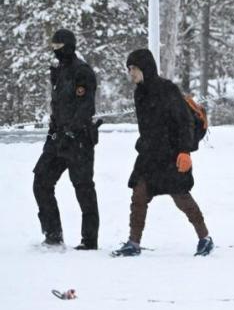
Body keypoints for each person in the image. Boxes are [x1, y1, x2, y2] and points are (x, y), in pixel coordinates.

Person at [111, 49, 213, 257]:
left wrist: (185, 151)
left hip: (171, 154)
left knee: (181, 197)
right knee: (139, 195)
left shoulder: (167, 90)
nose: (131, 73)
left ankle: (205, 238)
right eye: (129, 68)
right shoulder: (139, 92)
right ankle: (133, 242)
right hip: (149, 155)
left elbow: (184, 122)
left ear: (145, 68)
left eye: (134, 68)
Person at [33, 29, 100, 250]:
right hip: (57, 139)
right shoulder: (58, 71)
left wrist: (71, 130)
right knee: (41, 180)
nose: (55, 52)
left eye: (58, 47)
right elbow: (59, 107)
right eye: (53, 47)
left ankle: (89, 241)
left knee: (83, 188)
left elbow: (85, 107)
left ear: (68, 46)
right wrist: (54, 132)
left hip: (79, 140)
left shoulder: (82, 72)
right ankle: (53, 235)